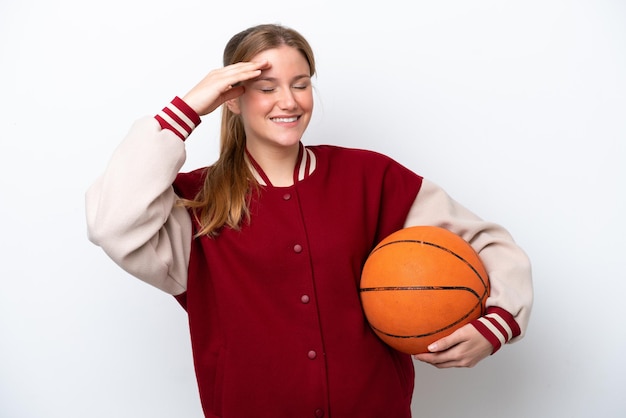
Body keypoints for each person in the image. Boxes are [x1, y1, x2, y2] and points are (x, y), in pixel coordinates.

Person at [85, 23, 533, 418]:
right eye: (266, 87)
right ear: (232, 99)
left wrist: (498, 323)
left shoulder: (370, 177)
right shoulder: (194, 202)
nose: (288, 101)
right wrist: (186, 110)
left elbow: (485, 242)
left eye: (300, 84)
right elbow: (111, 223)